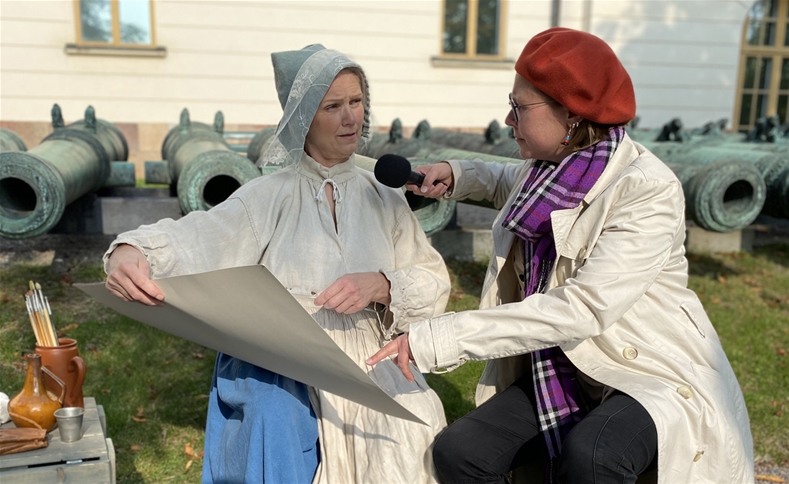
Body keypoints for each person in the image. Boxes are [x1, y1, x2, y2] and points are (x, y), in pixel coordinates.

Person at [368, 27, 754, 484]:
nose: (508, 120)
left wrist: (440, 336)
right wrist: (454, 174)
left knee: (593, 456)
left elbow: (583, 308)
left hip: (645, 370)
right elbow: (506, 182)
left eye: (520, 107)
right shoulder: (552, 169)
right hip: (568, 363)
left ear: (571, 114)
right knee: (462, 451)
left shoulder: (646, 190)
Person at [104, 44, 450, 484]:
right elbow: (199, 235)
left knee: (410, 428)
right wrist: (132, 250)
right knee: (277, 424)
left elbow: (433, 281)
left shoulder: (383, 196)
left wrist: (382, 285)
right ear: (304, 116)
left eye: (356, 102)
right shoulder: (269, 195)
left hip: (370, 356)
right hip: (289, 354)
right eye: (333, 106)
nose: (350, 118)